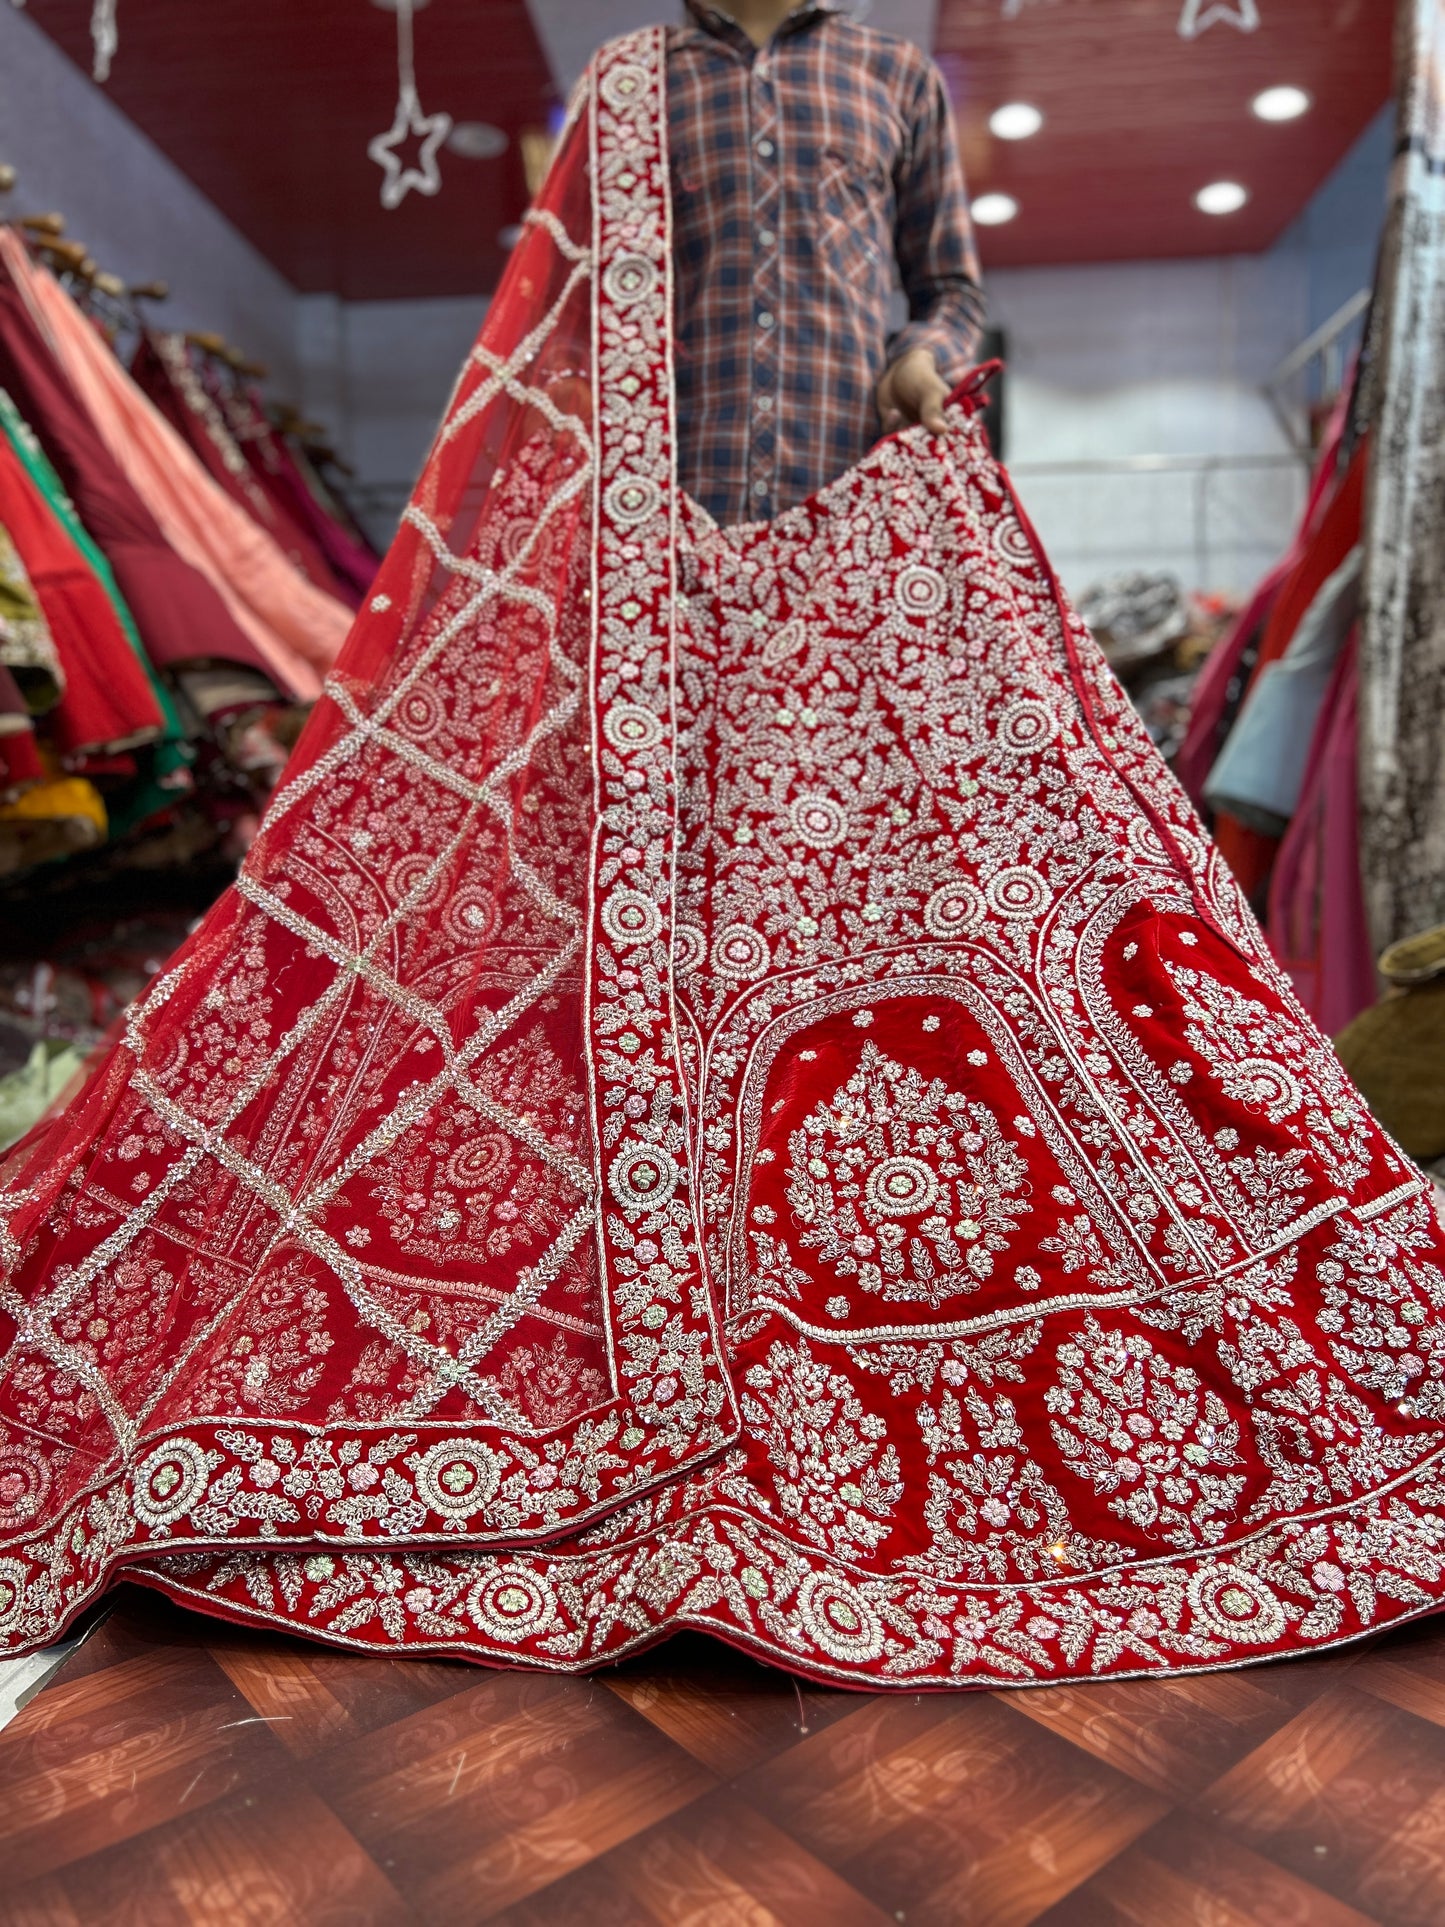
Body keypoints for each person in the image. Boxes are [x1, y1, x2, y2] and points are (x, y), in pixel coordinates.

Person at [2, 26, 1445, 1689]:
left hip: (872, 569)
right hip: (657, 596)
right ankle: (667, 1354)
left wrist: (932, 363)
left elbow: (955, 293)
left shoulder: (895, 88)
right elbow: (556, 322)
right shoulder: (624, 88)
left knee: (994, 916)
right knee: (644, 966)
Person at [666, 0, 985, 523]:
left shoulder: (899, 75)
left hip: (844, 515)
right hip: (666, 521)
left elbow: (951, 289)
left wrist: (916, 358)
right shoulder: (635, 82)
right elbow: (571, 297)